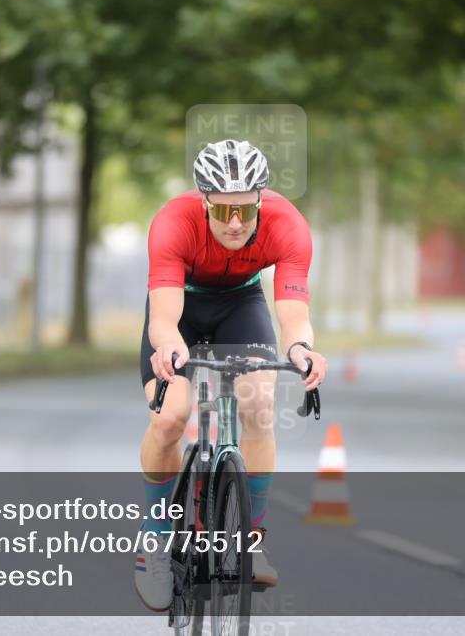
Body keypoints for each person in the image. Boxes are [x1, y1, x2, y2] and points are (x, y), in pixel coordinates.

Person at [133, 138, 328, 611]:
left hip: (242, 303)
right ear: (204, 203)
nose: (236, 223)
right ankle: (155, 540)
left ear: (262, 199)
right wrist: (169, 346)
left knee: (259, 405)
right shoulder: (172, 223)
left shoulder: (288, 226)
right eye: (222, 212)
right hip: (182, 306)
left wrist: (301, 348)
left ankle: (252, 539)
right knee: (170, 418)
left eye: (245, 210)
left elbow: (294, 312)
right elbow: (164, 318)